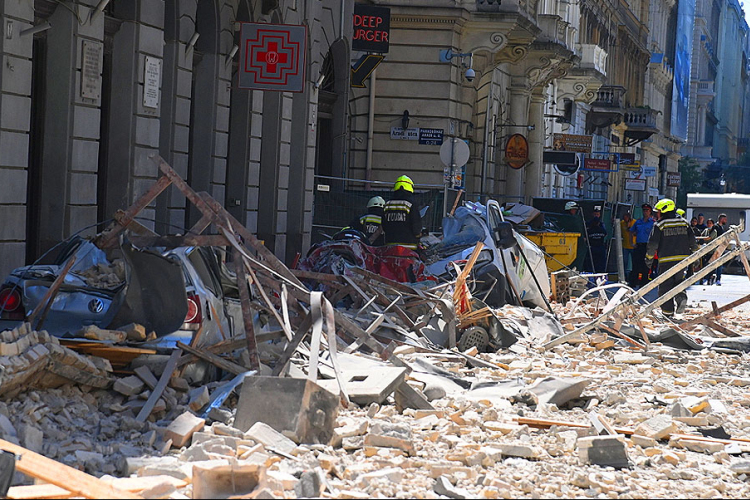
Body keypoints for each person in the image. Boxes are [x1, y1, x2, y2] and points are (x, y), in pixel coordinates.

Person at [645, 198, 697, 317]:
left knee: (664, 287)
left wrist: (649, 258)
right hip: (683, 261)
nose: (656, 214)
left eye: (657, 212)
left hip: (666, 261)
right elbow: (693, 242)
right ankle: (681, 297)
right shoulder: (684, 222)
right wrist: (696, 258)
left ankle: (667, 314)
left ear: (664, 211)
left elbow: (653, 244)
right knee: (678, 282)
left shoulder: (660, 225)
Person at [382, 175, 422, 249]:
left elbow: (384, 225)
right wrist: (418, 235)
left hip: (390, 245)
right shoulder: (410, 204)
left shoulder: (387, 204)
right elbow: (416, 225)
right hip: (408, 246)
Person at [629, 203, 655, 287]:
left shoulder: (652, 223)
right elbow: (631, 231)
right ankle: (633, 282)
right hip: (639, 245)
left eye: (647, 210)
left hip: (647, 246)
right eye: (644, 210)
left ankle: (644, 283)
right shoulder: (638, 222)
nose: (645, 212)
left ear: (650, 212)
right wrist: (631, 243)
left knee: (646, 265)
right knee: (636, 264)